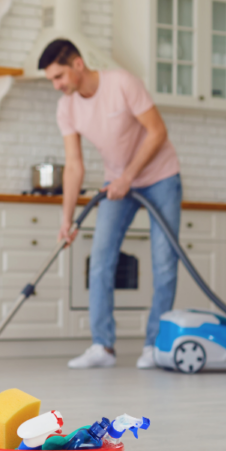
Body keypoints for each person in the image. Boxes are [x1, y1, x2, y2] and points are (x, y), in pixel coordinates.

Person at [40, 39, 182, 369]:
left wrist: (129, 176)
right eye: (52, 80)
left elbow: (157, 131)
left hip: (160, 178)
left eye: (59, 76)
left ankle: (154, 346)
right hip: (116, 185)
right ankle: (102, 347)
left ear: (77, 64)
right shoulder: (67, 107)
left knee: (164, 262)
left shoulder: (121, 83)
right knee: (101, 260)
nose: (56, 85)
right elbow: (74, 164)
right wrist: (67, 218)